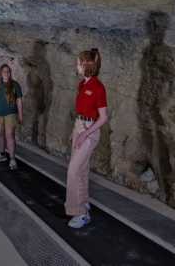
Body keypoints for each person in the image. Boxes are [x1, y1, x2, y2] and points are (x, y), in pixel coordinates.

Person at [65, 48, 108, 229]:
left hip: (90, 131)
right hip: (79, 126)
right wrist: (76, 131)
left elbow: (104, 117)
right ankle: (83, 201)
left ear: (86, 65)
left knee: (73, 171)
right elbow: (81, 111)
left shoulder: (98, 87)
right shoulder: (83, 84)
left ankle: (80, 213)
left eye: (79, 62)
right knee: (81, 170)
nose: (77, 65)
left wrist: (84, 133)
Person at [0, 64, 23, 170]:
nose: (6, 73)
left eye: (8, 71)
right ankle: (2, 154)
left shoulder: (15, 84)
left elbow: (19, 100)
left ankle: (12, 158)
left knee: (10, 135)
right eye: (4, 71)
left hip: (10, 113)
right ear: (0, 73)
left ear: (10, 73)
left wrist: (20, 115)